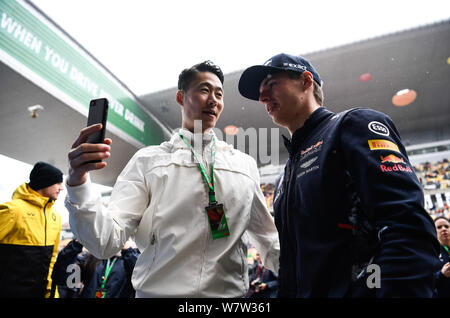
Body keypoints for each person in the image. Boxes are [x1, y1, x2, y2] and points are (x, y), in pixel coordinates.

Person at [65, 60, 279, 297]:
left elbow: (270, 242)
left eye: (219, 94)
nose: (214, 100)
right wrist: (79, 182)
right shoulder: (147, 162)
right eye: (205, 90)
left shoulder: (244, 166)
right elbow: (105, 242)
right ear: (181, 97)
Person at [238, 53, 441, 297]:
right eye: (261, 92)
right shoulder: (285, 177)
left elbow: (406, 226)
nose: (262, 97)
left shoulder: (353, 125)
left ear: (306, 81)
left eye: (271, 84)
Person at [0, 161, 64, 297]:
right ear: (45, 182)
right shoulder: (13, 210)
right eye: (58, 182)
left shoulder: (55, 216)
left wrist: (52, 293)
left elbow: (51, 259)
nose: (61, 188)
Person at [433, 216, 450, 297]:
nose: (444, 229)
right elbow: (428, 282)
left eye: (446, 226)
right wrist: (442, 274)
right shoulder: (431, 253)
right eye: (439, 227)